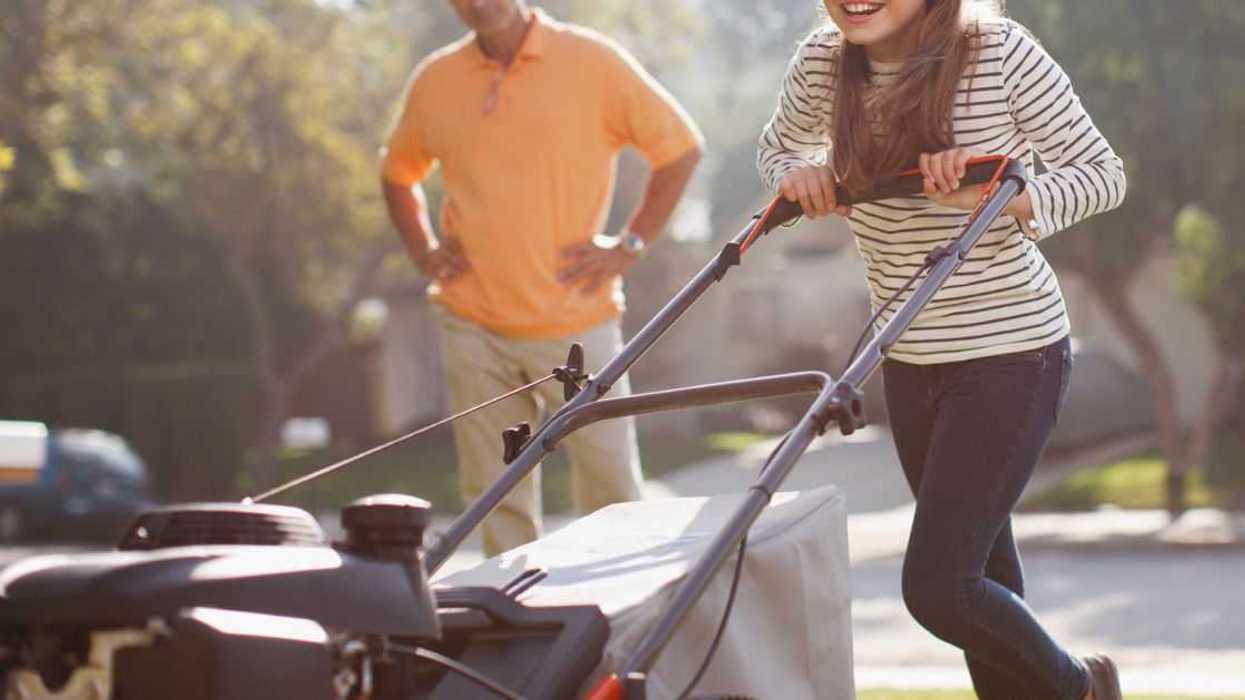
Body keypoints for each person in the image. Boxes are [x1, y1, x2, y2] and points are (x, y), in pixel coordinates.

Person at [758, 1, 1126, 698]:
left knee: (939, 586)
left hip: (1011, 351)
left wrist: (1000, 197)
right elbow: (778, 146)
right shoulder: (821, 63)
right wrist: (795, 173)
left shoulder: (998, 54)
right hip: (908, 355)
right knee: (983, 580)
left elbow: (1101, 174)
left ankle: (1081, 686)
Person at [381, 0, 702, 557]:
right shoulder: (436, 78)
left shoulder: (590, 61)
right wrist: (426, 251)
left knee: (613, 489)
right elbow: (397, 172)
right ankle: (512, 618)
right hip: (472, 322)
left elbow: (680, 150)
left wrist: (630, 245)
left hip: (578, 321)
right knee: (494, 495)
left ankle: (621, 614)